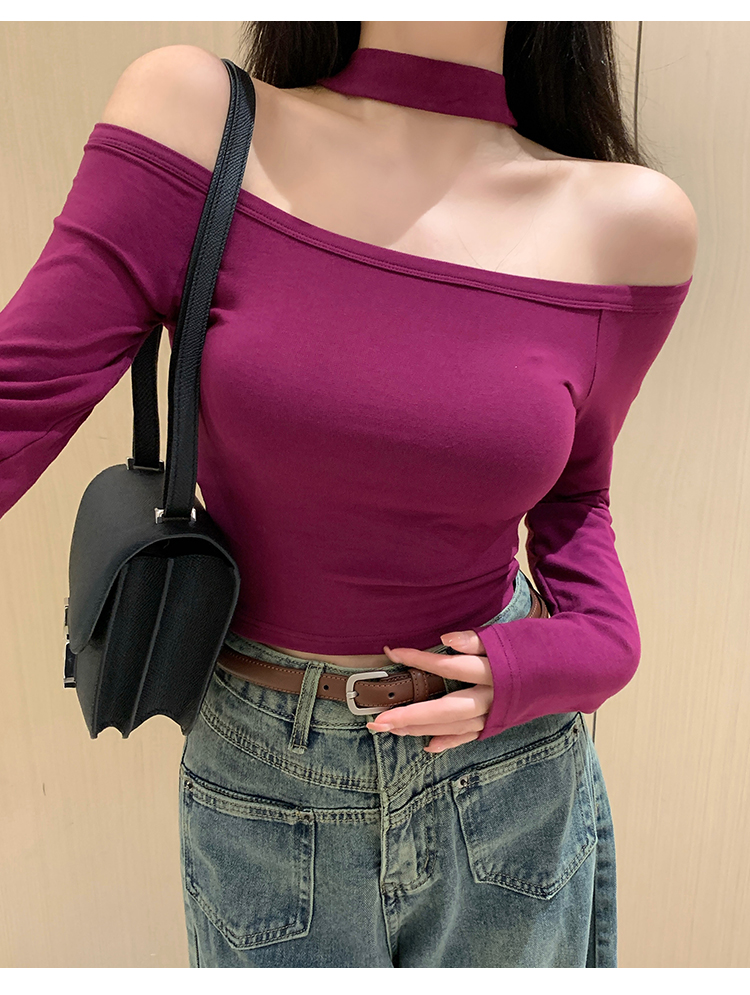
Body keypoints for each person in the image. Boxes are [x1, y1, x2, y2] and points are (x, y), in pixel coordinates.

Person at [0, 21, 697, 968]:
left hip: (508, 776)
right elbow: (18, 401)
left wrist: (586, 652)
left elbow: (579, 497)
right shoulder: (200, 122)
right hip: (264, 773)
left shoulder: (631, 221)